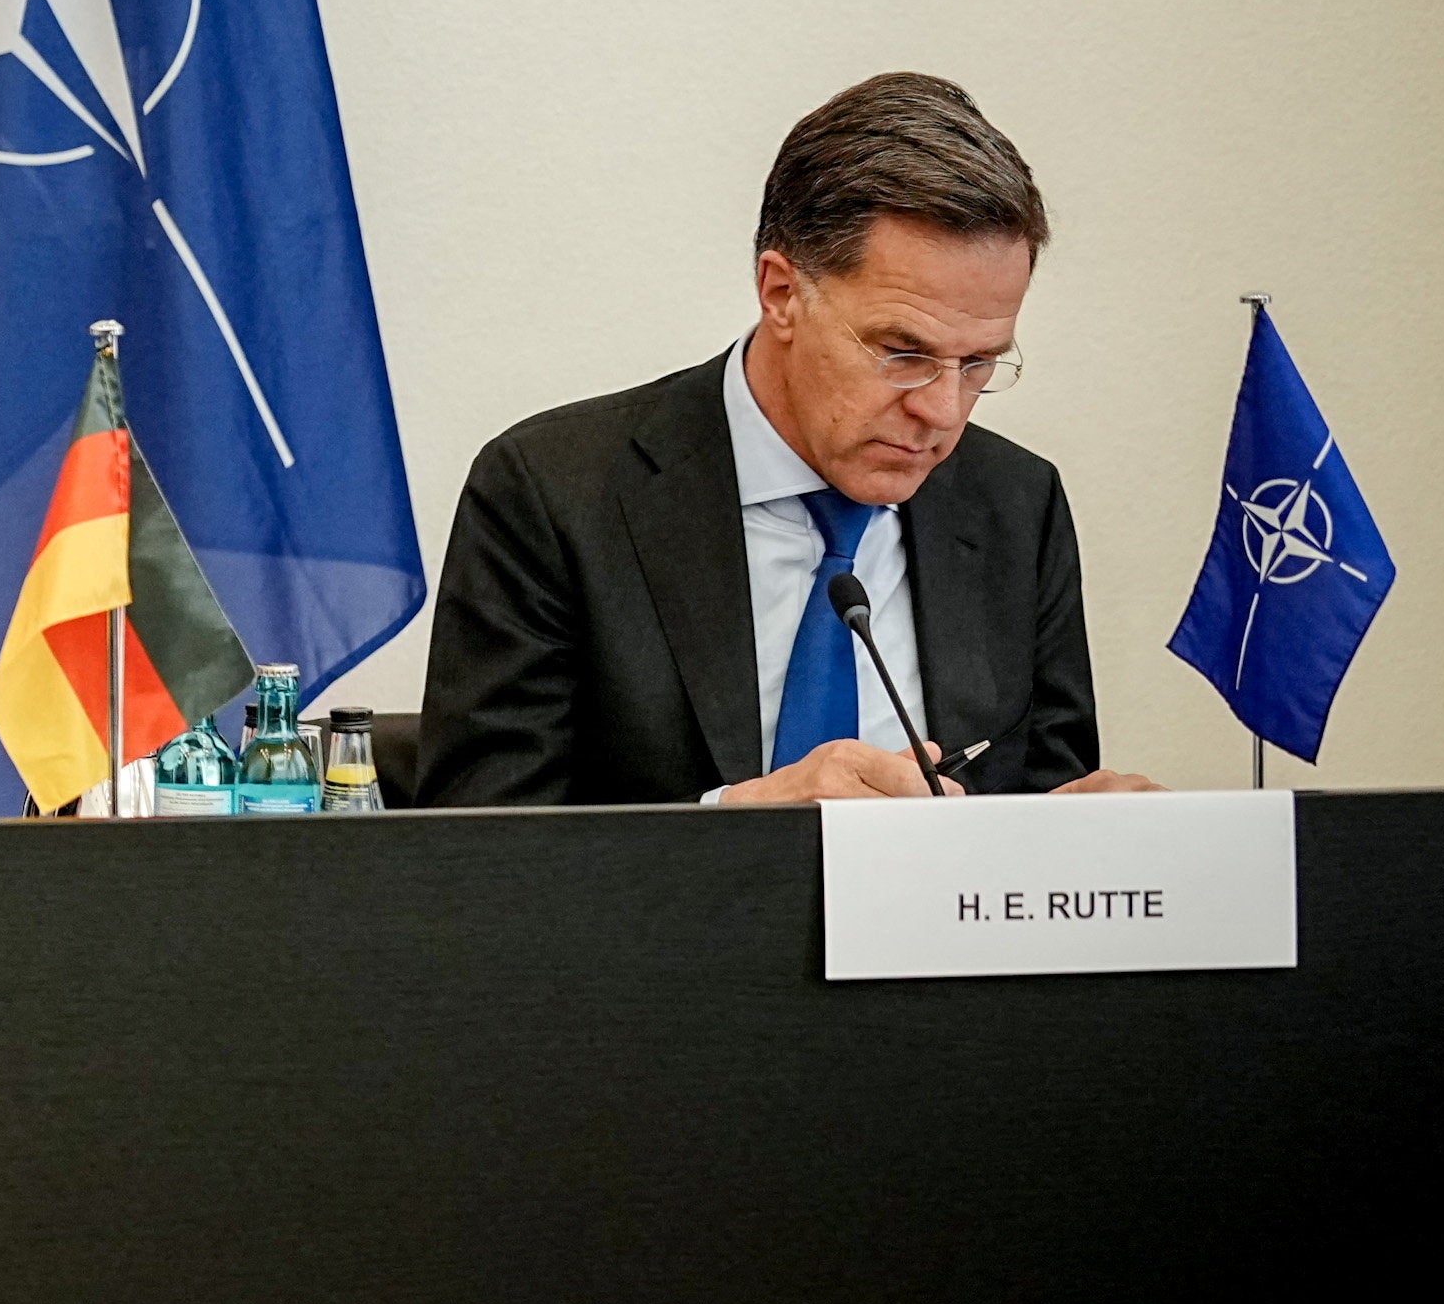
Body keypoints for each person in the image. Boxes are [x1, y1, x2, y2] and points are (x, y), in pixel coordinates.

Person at [419, 70, 1159, 804]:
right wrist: (734, 827)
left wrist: (1081, 846)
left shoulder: (1016, 506)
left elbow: (1042, 803)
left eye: (978, 364)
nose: (941, 409)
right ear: (781, 294)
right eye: (903, 352)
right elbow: (484, 862)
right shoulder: (553, 494)